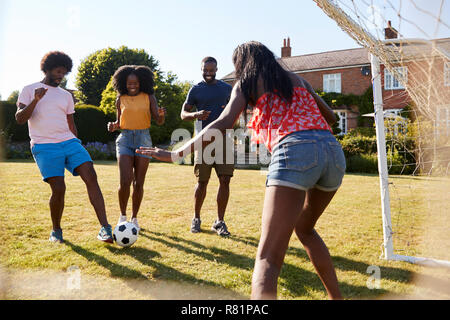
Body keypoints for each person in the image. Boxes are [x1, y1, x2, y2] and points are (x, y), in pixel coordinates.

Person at [137, 41, 345, 300]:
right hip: (333, 153)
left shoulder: (247, 81)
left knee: (268, 258)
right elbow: (332, 118)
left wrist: (175, 153)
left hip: (294, 149)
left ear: (241, 63)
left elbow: (223, 121)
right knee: (305, 229)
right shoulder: (298, 80)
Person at [15, 51, 113, 243]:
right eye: (58, 71)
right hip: (44, 145)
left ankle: (105, 228)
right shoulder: (29, 89)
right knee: (59, 188)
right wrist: (36, 100)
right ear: (48, 69)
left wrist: (77, 143)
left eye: (64, 72)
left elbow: (71, 122)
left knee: (91, 176)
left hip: (69, 142)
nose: (61, 76)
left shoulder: (66, 96)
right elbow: (19, 119)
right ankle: (56, 231)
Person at [107, 65, 165, 231]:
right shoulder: (120, 99)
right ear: (123, 83)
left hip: (143, 139)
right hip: (125, 139)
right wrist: (113, 126)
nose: (132, 85)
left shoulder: (149, 97)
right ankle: (122, 216)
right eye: (129, 83)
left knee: (138, 183)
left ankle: (134, 218)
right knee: (125, 181)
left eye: (136, 83)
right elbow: (119, 122)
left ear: (142, 83)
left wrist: (161, 115)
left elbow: (158, 120)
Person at [180, 57, 233, 236]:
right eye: (205, 70)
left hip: (225, 138)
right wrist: (196, 114)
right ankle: (196, 218)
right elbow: (183, 114)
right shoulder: (196, 89)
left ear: (217, 69)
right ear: (201, 68)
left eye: (211, 70)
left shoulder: (227, 88)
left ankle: (220, 222)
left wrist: (230, 110)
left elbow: (238, 109)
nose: (208, 73)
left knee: (225, 179)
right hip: (203, 140)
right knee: (202, 181)